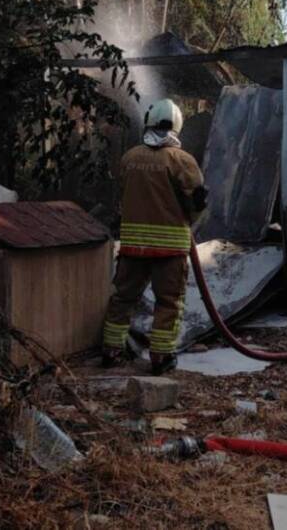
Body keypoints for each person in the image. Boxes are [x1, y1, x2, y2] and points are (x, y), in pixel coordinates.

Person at [102, 99, 207, 376]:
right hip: (170, 249)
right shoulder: (182, 160)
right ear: (177, 125)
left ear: (148, 122)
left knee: (123, 298)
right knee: (168, 302)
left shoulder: (129, 158)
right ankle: (160, 357)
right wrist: (189, 220)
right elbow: (197, 202)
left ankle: (111, 350)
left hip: (133, 246)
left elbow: (122, 195)